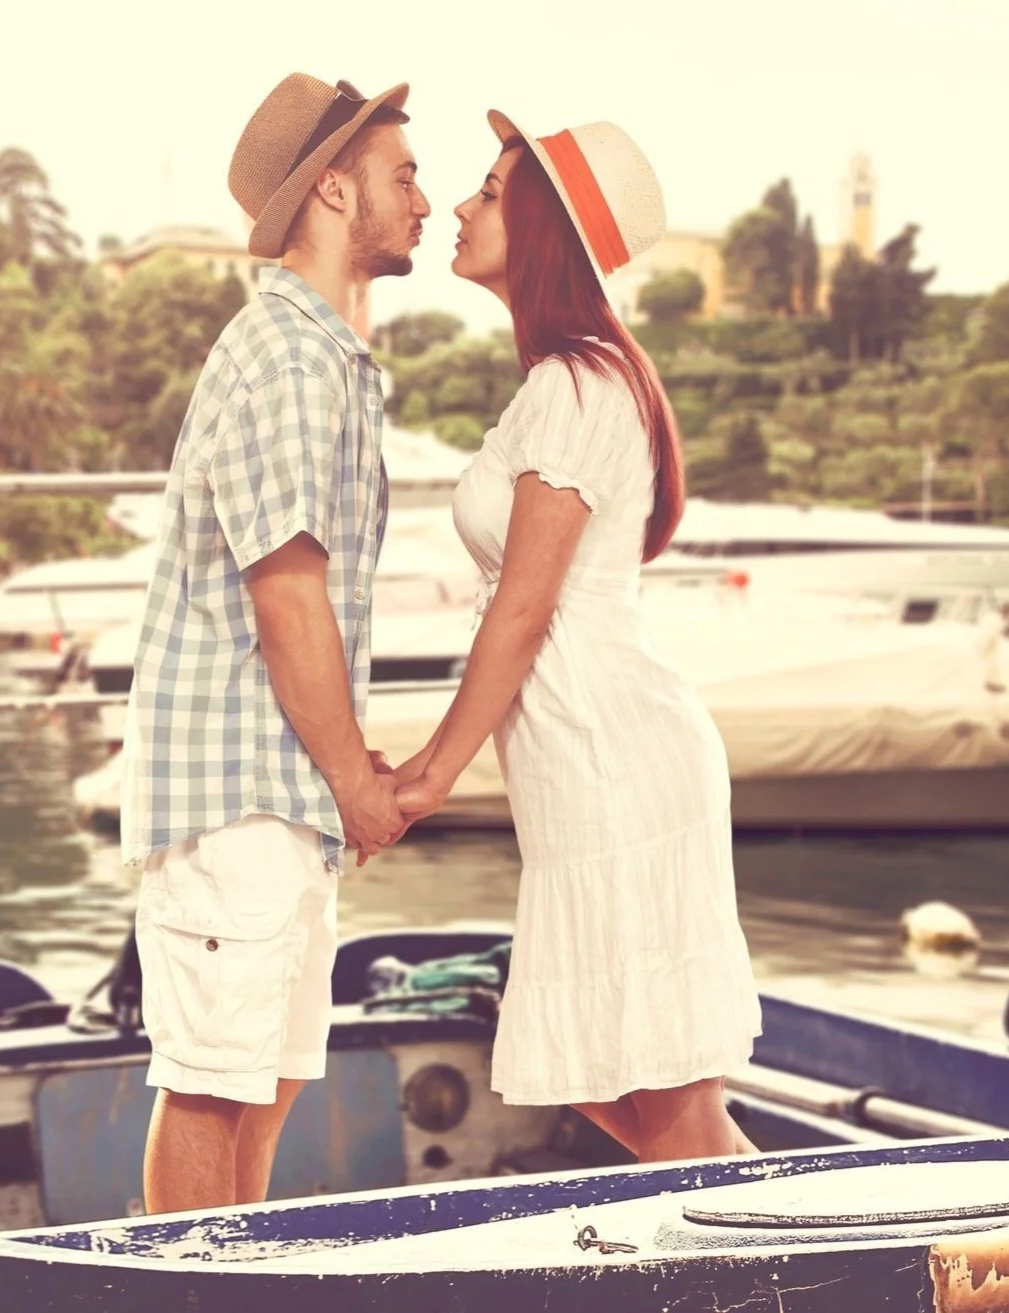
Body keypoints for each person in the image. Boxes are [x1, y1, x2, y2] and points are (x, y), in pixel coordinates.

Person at [386, 112, 762, 1161]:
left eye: (492, 190)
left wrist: (427, 775)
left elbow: (524, 607)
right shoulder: (577, 378)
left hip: (613, 764)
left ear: (546, 227)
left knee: (671, 1111)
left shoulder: (575, 383)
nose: (462, 206)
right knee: (641, 1101)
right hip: (590, 762)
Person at [124, 72, 428, 1214]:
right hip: (242, 785)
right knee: (213, 1084)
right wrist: (357, 783)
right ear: (338, 190)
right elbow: (288, 600)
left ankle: (229, 1284)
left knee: (267, 1078)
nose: (427, 199)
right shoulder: (289, 360)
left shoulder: (326, 357)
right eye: (405, 175)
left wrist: (338, 783)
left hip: (277, 788)